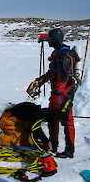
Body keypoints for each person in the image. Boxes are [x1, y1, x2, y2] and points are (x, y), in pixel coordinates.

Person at [28, 28, 79, 158]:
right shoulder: (57, 53)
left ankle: (69, 150)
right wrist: (40, 81)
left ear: (55, 39)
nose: (48, 41)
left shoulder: (64, 54)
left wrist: (57, 91)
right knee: (52, 118)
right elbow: (53, 73)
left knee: (66, 119)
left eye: (50, 39)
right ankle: (53, 144)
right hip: (57, 92)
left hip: (64, 92)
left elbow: (64, 75)